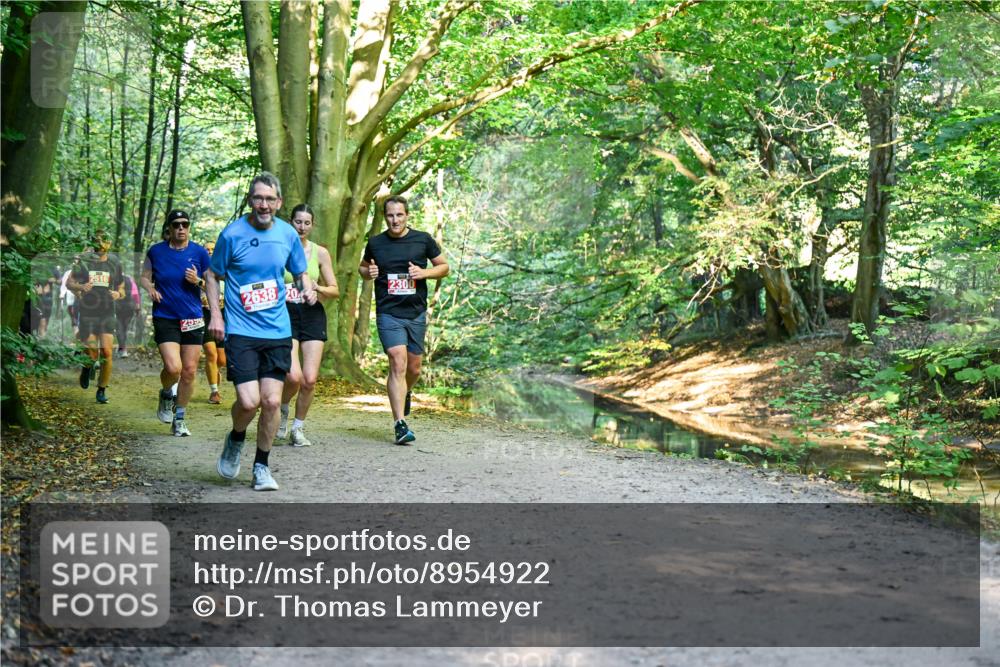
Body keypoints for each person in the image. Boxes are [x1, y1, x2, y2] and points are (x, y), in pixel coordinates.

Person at [206, 172, 316, 491]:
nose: (264, 205)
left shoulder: (287, 234)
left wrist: (307, 288)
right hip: (241, 330)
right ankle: (236, 437)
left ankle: (261, 466)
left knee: (271, 402)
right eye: (258, 198)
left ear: (279, 202)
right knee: (248, 402)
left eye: (269, 199)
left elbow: (300, 272)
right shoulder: (232, 235)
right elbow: (212, 276)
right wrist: (216, 316)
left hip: (277, 330)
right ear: (250, 200)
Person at [359, 195, 449, 445]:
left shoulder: (423, 239)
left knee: (414, 368)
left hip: (416, 312)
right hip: (388, 312)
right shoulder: (376, 242)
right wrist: (368, 272)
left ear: (407, 215)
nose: (395, 220)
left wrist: (424, 273)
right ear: (384, 217)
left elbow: (444, 267)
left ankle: (405, 391)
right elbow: (363, 268)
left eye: (399, 215)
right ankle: (400, 424)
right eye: (390, 215)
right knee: (397, 362)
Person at [141, 210, 211, 437]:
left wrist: (197, 281)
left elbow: (211, 283)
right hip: (166, 315)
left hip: (193, 316)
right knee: (173, 368)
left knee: (189, 371)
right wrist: (150, 288)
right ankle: (165, 393)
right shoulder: (156, 251)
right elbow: (144, 276)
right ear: (169, 228)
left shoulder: (199, 252)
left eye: (185, 224)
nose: (181, 228)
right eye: (176, 224)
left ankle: (179, 419)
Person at [277, 204, 339, 447]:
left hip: (312, 314)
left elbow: (334, 290)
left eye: (307, 223)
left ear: (312, 225)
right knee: (293, 376)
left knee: (310, 379)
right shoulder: (279, 249)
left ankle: (297, 428)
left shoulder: (320, 253)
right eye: (298, 222)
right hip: (285, 313)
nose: (302, 227)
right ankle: (282, 408)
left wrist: (317, 287)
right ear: (290, 222)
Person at [67, 232, 125, 403]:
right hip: (88, 311)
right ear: (92, 243)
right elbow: (69, 283)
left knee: (107, 352)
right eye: (97, 241)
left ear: (109, 243)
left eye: (104, 241)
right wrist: (81, 287)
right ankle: (87, 367)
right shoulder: (85, 262)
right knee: (91, 351)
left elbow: (121, 287)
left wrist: (118, 294)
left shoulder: (114, 263)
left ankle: (101, 389)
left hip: (107, 311)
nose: (100, 244)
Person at [201, 240, 225, 404]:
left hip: (223, 314)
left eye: (213, 249)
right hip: (204, 314)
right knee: (211, 353)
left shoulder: (224, 267)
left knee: (222, 360)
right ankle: (214, 391)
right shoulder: (197, 269)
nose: (209, 252)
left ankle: (215, 371)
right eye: (206, 249)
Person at [115, 274, 140, 357]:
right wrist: (137, 306)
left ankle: (122, 349)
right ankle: (122, 348)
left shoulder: (115, 279)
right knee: (124, 329)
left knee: (119, 328)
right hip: (129, 307)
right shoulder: (130, 279)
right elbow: (135, 294)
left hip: (118, 307)